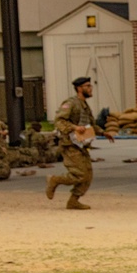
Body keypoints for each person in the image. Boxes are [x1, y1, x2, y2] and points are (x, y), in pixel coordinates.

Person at [46, 77, 114, 209]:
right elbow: (59, 121)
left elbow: (90, 125)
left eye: (90, 86)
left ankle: (73, 201)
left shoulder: (84, 106)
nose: (90, 88)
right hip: (70, 145)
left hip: (81, 144)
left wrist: (102, 132)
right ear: (79, 88)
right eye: (87, 86)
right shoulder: (71, 103)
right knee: (79, 174)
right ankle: (54, 180)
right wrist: (74, 127)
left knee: (87, 175)